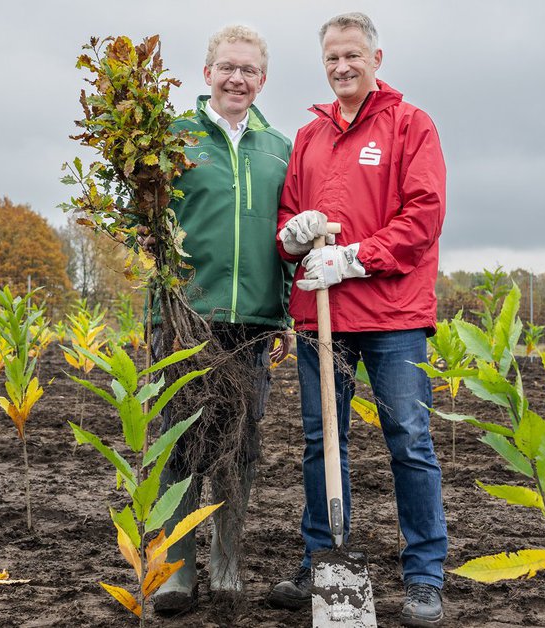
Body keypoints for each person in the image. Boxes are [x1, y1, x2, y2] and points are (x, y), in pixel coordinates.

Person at [267, 12, 448, 627]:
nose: (341, 67)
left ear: (376, 57)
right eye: (331, 59)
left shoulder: (410, 125)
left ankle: (424, 574)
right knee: (324, 442)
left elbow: (423, 217)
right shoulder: (310, 136)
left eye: (352, 55)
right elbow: (292, 213)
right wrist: (291, 238)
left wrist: (353, 257)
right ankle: (322, 558)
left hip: (393, 315)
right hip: (325, 318)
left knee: (410, 441)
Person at [150, 24, 295, 617]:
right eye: (227, 67)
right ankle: (178, 573)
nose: (238, 78)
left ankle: (227, 562)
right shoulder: (171, 141)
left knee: (239, 448)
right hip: (187, 319)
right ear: (207, 72)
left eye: (250, 70)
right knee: (180, 447)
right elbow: (148, 232)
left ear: (263, 80)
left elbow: (287, 238)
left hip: (252, 324)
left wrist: (284, 313)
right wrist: (162, 308)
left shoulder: (281, 148)